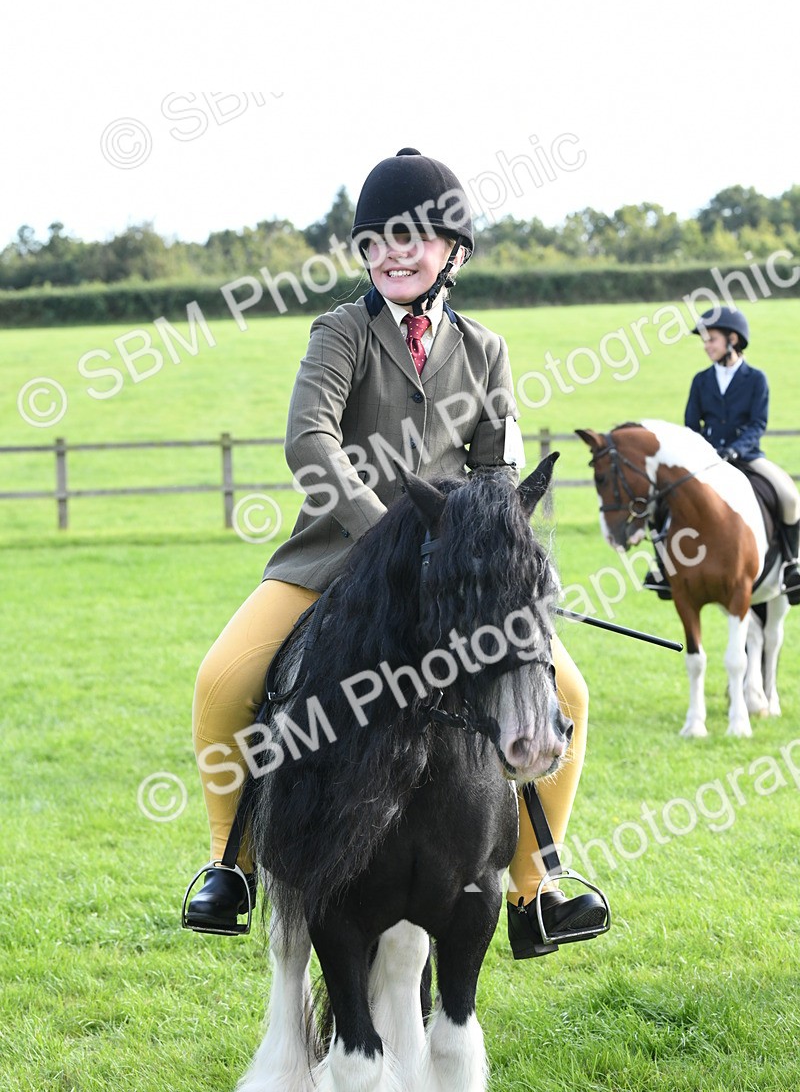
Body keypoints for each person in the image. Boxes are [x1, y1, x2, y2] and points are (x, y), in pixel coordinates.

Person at [184, 147, 609, 958]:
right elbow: (307, 436)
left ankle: (534, 888)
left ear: (454, 251)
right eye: (376, 239)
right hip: (335, 560)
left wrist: (498, 556)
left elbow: (494, 472)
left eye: (412, 237)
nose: (392, 252)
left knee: (571, 696)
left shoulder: (486, 351)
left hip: (455, 581)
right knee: (223, 680)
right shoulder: (340, 332)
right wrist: (380, 529)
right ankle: (228, 866)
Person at [644, 306, 800, 603]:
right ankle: (663, 569)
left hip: (748, 456)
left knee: (790, 497)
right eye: (704, 341)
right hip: (707, 459)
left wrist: (736, 449)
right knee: (663, 498)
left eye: (711, 340)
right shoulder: (701, 380)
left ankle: (791, 566)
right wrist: (701, 451)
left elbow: (757, 424)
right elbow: (691, 424)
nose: (706, 346)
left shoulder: (756, 379)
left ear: (732, 339)